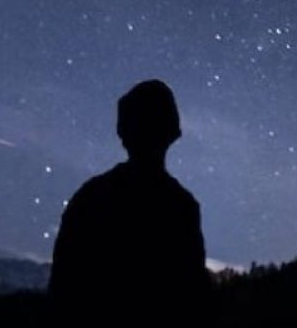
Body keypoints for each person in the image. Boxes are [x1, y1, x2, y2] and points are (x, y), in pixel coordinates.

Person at [49, 79, 210, 322]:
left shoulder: (91, 196)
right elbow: (193, 301)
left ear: (124, 133)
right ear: (171, 133)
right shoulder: (181, 207)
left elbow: (62, 291)